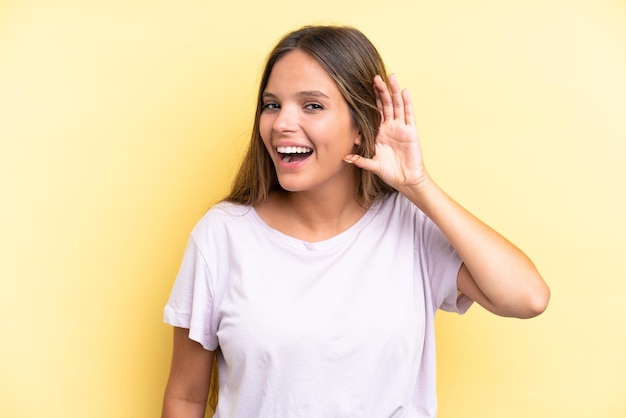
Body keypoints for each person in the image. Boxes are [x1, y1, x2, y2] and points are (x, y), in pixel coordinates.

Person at [161, 25, 550, 418]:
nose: (281, 124)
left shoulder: (410, 227)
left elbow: (527, 298)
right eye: (272, 104)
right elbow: (185, 399)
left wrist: (418, 185)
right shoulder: (222, 235)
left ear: (360, 130)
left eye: (312, 105)